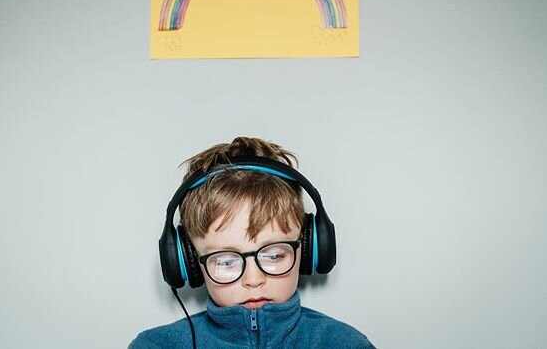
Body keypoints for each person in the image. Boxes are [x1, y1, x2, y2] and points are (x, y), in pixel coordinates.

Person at [129, 137, 375, 348]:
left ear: (308, 250)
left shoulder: (345, 343)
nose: (254, 280)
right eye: (225, 261)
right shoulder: (155, 346)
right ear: (189, 263)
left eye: (275, 255)